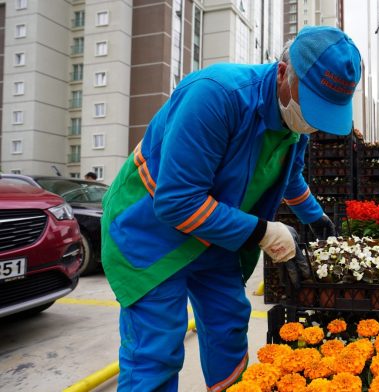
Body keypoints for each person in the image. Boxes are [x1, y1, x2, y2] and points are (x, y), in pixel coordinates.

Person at [101, 26, 361, 391]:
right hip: (150, 233)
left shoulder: (292, 126)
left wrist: (315, 217)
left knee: (229, 325)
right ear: (283, 72)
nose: (313, 124)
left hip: (214, 232)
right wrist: (265, 233)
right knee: (157, 350)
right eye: (313, 104)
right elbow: (177, 201)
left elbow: (287, 177)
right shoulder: (215, 95)